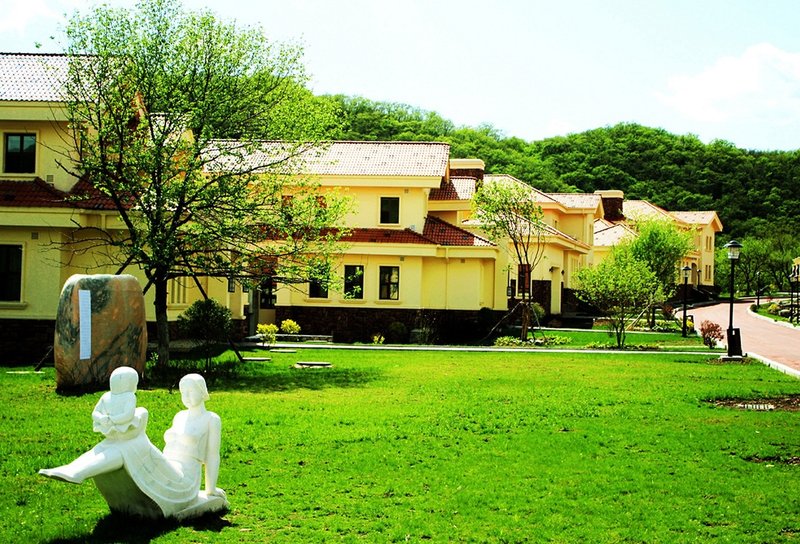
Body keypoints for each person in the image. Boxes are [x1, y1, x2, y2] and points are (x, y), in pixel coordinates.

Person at [39, 369, 228, 519]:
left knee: (131, 442)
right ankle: (74, 469)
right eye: (182, 392)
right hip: (166, 468)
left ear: (202, 392)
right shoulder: (179, 416)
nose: (186, 396)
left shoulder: (211, 419)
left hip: (183, 482)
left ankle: (78, 472)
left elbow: (212, 455)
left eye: (191, 391)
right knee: (122, 441)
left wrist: (210, 491)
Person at [91, 366, 142, 438]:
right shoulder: (130, 396)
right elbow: (128, 415)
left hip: (107, 424)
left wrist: (101, 418)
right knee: (143, 412)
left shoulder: (106, 395)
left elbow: (95, 413)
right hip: (121, 425)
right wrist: (111, 420)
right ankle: (134, 437)